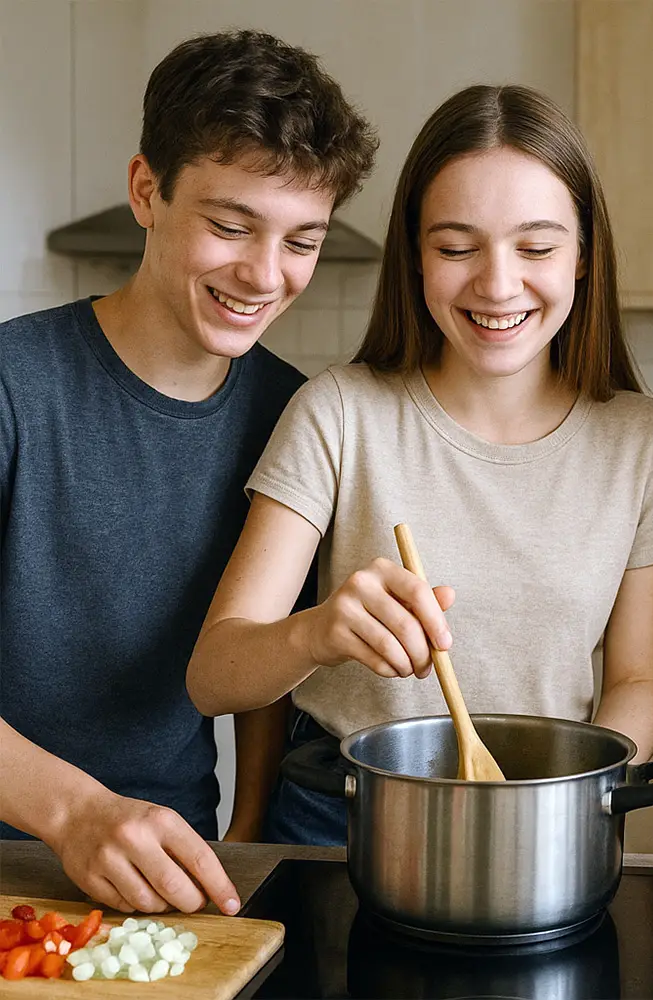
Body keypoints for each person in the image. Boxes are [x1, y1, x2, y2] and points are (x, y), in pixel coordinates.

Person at [186, 83, 653, 846]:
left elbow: (634, 683)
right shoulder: (340, 412)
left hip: (549, 822)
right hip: (344, 821)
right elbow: (214, 674)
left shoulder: (642, 441)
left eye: (536, 246)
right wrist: (319, 633)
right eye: (457, 247)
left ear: (585, 256)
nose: (497, 284)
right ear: (416, 256)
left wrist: (570, 797)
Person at [0, 28, 377, 914]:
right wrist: (77, 812)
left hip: (173, 872)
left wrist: (246, 826)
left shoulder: (293, 415)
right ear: (146, 191)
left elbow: (256, 652)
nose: (264, 274)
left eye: (302, 241)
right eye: (230, 224)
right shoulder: (14, 385)